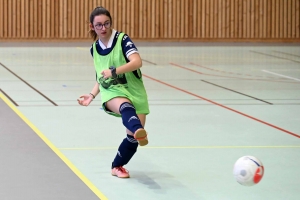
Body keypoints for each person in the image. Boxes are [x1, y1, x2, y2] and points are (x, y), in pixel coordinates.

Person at [77, 6, 150, 179]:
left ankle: (116, 166)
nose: (103, 28)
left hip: (135, 89)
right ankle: (138, 128)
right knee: (125, 107)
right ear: (91, 27)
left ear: (111, 23)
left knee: (132, 139)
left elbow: (137, 62)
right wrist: (92, 94)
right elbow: (100, 76)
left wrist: (115, 70)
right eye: (99, 25)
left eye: (106, 24)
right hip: (111, 90)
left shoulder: (122, 39)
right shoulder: (94, 49)